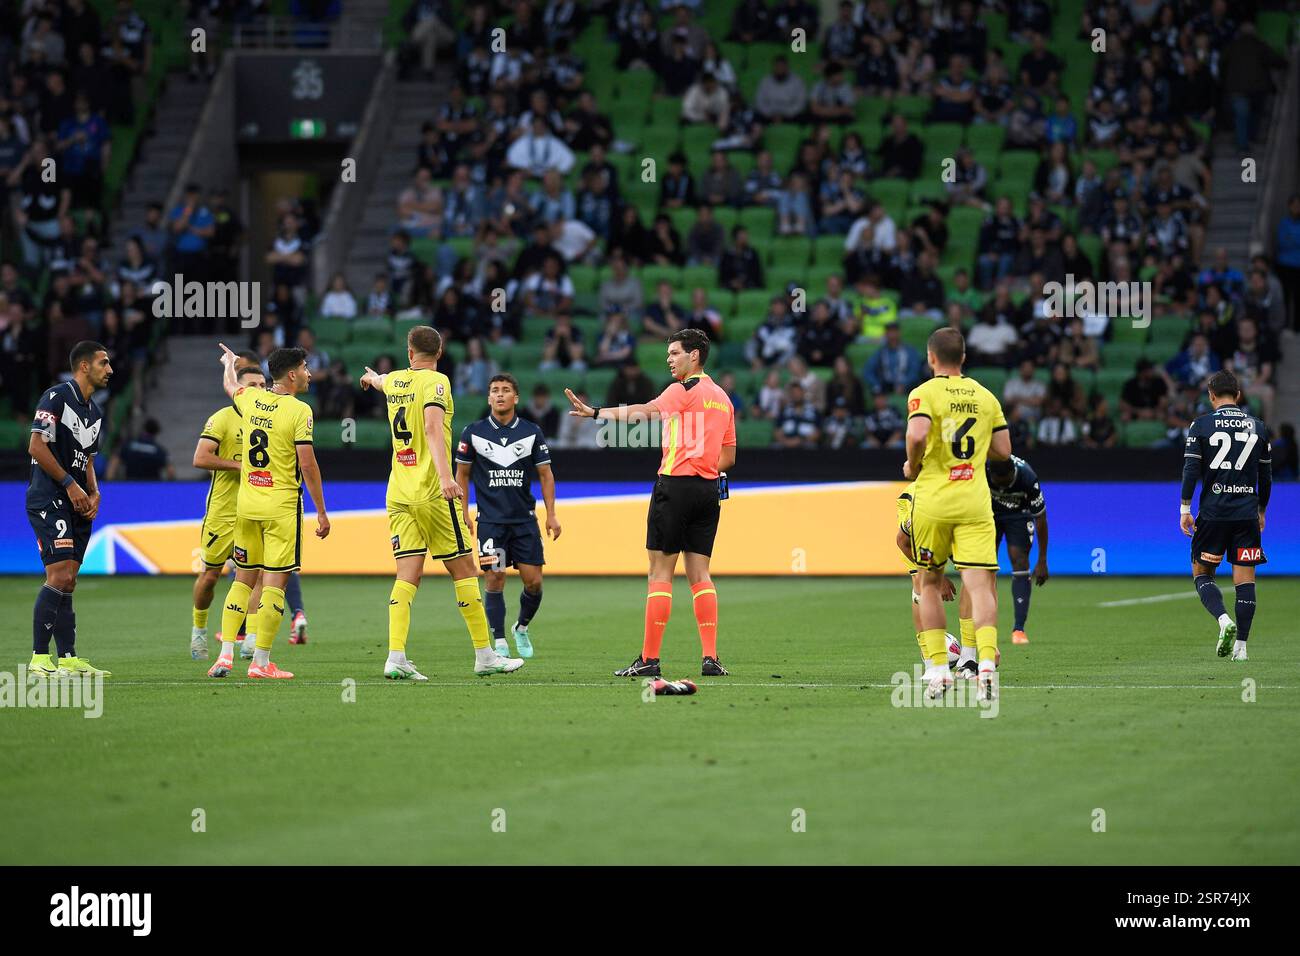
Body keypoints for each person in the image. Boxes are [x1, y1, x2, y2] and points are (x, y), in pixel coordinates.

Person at [562, 329, 736, 678]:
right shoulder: (723, 398)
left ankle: (650, 660)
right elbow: (728, 456)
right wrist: (702, 465)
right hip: (707, 491)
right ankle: (711, 658)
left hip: (674, 487)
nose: (669, 359)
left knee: (659, 573)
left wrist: (595, 412)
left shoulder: (682, 390)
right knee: (700, 574)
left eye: (675, 353)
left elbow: (644, 412)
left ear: (695, 357)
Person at [359, 326, 522, 679]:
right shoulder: (438, 382)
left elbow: (386, 382)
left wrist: (373, 380)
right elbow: (433, 428)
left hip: (398, 492)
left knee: (407, 576)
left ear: (409, 352)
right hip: (432, 490)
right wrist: (447, 477)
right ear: (441, 351)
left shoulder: (398, 381)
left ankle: (396, 656)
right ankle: (485, 656)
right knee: (464, 570)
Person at [206, 344, 329, 680]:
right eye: (304, 367)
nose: (308, 372)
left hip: (246, 505)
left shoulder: (250, 400)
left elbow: (230, 386)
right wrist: (321, 510)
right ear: (291, 375)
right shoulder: (299, 411)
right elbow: (307, 463)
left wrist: (229, 364)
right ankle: (261, 663)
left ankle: (225, 656)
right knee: (274, 584)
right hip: (281, 508)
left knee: (242, 581)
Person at [903, 328, 1012, 700]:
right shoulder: (985, 396)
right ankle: (983, 664)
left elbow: (917, 435)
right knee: (980, 585)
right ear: (963, 357)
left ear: (931, 357)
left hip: (934, 498)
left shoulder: (923, 393)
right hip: (974, 499)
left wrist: (911, 464)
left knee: (929, 582)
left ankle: (937, 670)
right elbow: (1003, 448)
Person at [456, 373, 561, 660]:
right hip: (491, 522)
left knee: (534, 582)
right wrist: (463, 512)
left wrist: (551, 515)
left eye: (505, 390)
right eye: (494, 390)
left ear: (516, 398)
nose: (499, 394)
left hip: (524, 520)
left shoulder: (531, 432)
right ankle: (499, 640)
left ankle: (521, 627)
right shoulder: (473, 432)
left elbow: (546, 475)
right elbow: (461, 475)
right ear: (488, 398)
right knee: (495, 577)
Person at [26, 341, 112, 678]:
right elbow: (36, 445)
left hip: (78, 500)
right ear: (84, 367)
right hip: (50, 496)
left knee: (70, 580)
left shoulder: (96, 411)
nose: (110, 369)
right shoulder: (56, 397)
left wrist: (94, 490)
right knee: (58, 575)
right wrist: (70, 484)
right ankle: (38, 658)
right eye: (104, 363)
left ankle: (69, 657)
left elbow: (88, 458)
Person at [1180, 370, 1271, 662]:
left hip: (1214, 513)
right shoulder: (1258, 427)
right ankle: (1242, 648)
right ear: (1239, 395)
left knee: (1201, 573)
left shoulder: (1201, 425)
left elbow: (1191, 471)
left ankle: (1223, 620)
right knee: (1245, 581)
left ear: (1211, 395)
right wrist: (1261, 510)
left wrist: (1185, 508)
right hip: (1246, 513)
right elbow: (1266, 477)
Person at [987, 456, 1049, 645]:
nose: (1003, 488)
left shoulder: (1027, 478)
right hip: (988, 514)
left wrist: (1042, 560)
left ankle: (1019, 629)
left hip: (1019, 516)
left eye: (1006, 483)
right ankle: (985, 627)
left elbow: (1041, 519)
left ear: (1012, 473)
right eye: (998, 484)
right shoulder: (982, 471)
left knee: (1020, 560)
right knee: (984, 564)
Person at [108, 417, 174, 480]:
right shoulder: (159, 451)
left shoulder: (128, 446)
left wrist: (110, 482)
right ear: (156, 432)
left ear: (143, 429)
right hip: (151, 487)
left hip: (130, 485)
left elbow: (114, 462)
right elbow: (170, 471)